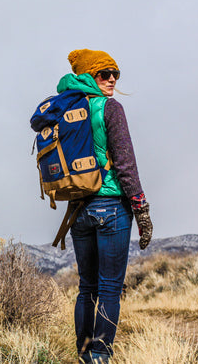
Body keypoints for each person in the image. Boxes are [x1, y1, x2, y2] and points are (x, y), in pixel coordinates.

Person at [58, 49, 153, 363]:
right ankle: (99, 355)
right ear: (88, 76)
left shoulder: (64, 108)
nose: (112, 79)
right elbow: (125, 164)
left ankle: (82, 351)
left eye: (115, 74)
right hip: (111, 206)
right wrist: (141, 209)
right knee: (110, 288)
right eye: (103, 74)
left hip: (78, 211)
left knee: (87, 287)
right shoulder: (109, 108)